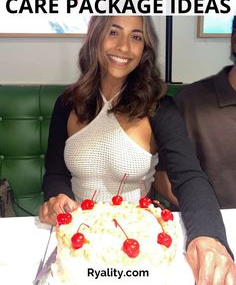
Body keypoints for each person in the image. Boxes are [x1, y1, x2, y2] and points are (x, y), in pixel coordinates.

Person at [39, 15, 236, 284]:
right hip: (80, 238)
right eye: (113, 32)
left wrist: (208, 235)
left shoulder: (159, 107)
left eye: (136, 37)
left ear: (145, 48)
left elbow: (189, 176)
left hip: (140, 244)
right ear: (95, 37)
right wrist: (57, 195)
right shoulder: (66, 104)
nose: (123, 46)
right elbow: (55, 172)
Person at [155, 16, 236, 210]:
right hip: (204, 230)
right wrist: (205, 217)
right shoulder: (189, 103)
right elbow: (160, 177)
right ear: (234, 41)